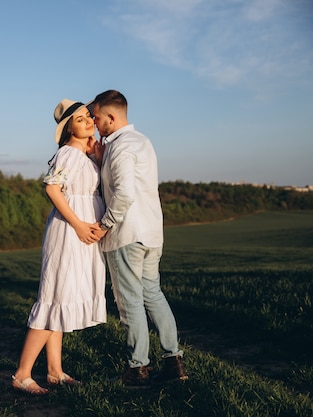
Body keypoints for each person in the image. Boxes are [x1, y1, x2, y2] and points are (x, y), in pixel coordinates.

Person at [90, 90, 188, 388]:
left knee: (129, 302)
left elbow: (124, 194)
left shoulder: (121, 148)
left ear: (111, 116)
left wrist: (104, 225)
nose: (94, 123)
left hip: (127, 234)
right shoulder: (139, 142)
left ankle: (138, 369)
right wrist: (102, 158)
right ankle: (174, 364)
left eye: (96, 117)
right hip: (151, 234)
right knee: (152, 294)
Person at [11, 99, 107, 395]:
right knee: (54, 297)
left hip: (81, 231)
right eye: (80, 120)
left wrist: (99, 159)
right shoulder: (67, 153)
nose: (89, 121)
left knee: (61, 298)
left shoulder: (85, 155)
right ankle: (21, 375)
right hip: (68, 231)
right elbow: (52, 188)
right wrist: (79, 224)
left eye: (88, 116)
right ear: (68, 129)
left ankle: (55, 371)